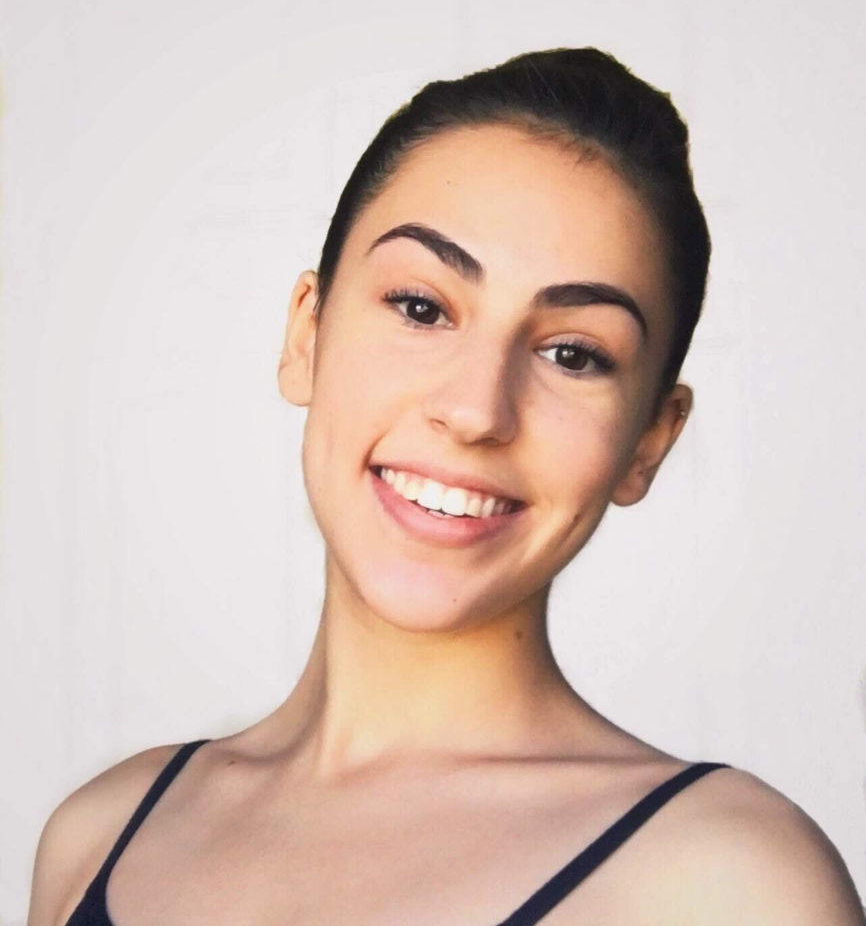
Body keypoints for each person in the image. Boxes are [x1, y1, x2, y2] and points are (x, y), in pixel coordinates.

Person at [28, 47, 864, 925]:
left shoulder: (731, 886)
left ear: (649, 442)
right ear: (305, 335)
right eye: (422, 308)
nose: (475, 411)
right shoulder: (96, 839)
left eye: (572, 354)